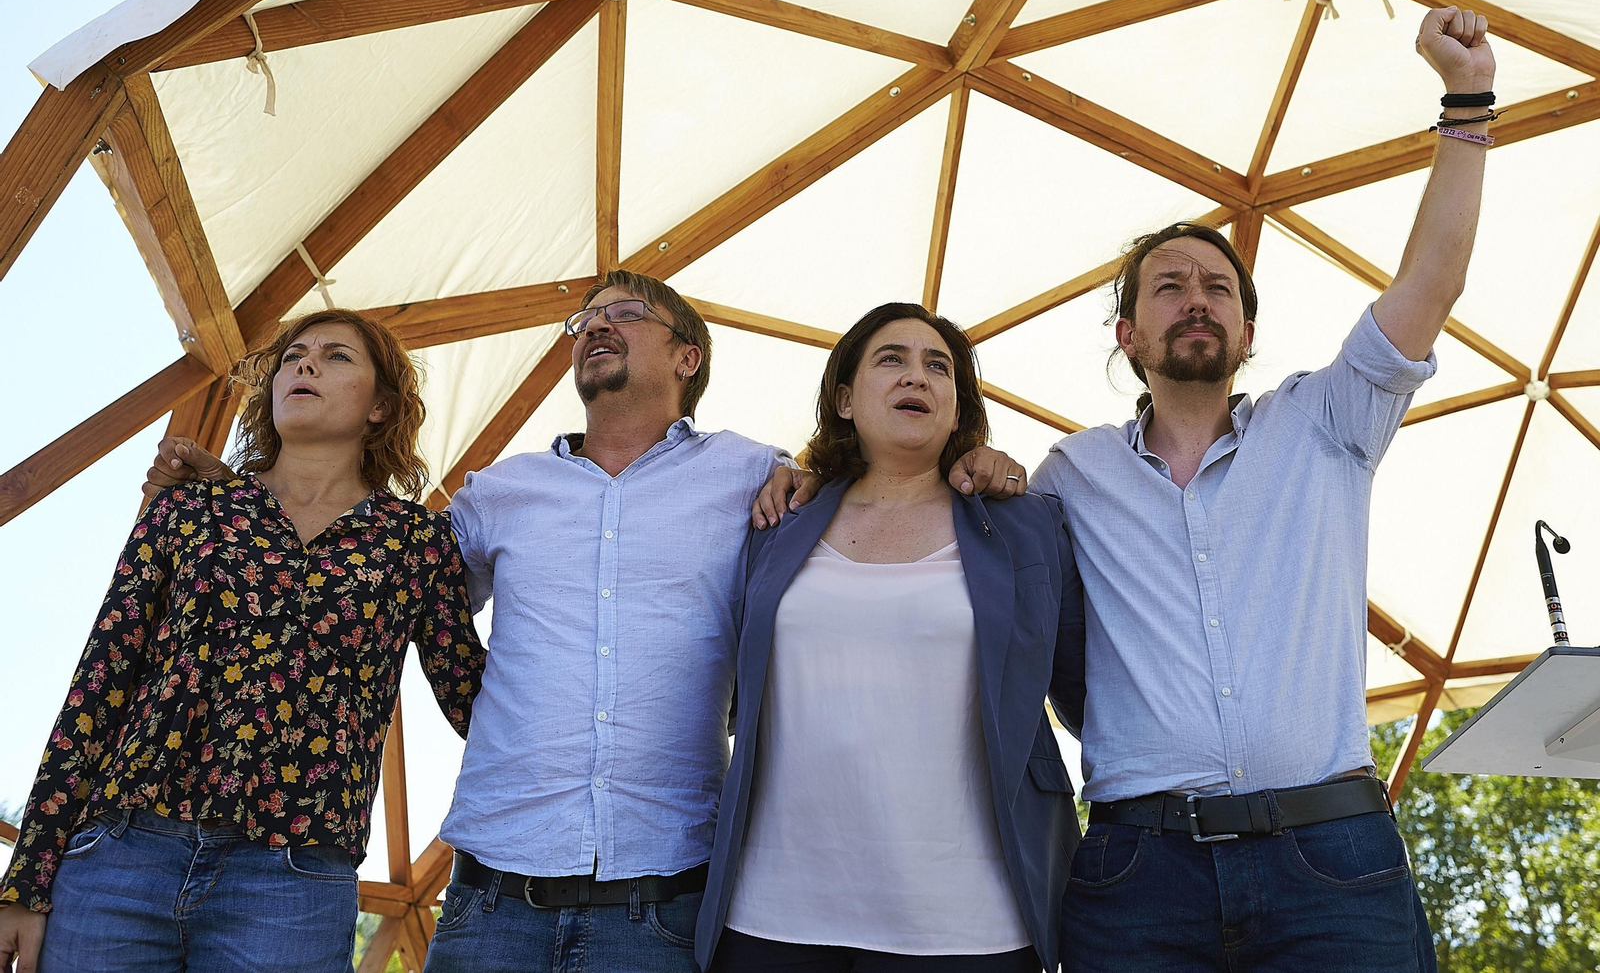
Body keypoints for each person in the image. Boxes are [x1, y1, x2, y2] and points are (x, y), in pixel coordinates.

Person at [758, 6, 1493, 971]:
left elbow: (1431, 282)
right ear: (1129, 336)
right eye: (1169, 286)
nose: (1197, 298)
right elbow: (946, 522)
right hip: (1142, 871)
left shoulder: (1325, 422)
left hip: (1330, 857)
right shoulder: (1071, 476)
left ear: (1247, 332)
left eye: (1219, 287)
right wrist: (816, 471)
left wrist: (1467, 100)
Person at [141, 272, 1030, 973]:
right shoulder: (500, 491)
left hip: (659, 911)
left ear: (687, 356)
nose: (596, 325)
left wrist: (977, 461)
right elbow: (368, 562)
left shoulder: (753, 475)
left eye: (626, 313)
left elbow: (880, 488)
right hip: (487, 906)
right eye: (585, 320)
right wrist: (240, 496)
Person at [0, 309, 486, 973]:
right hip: (120, 858)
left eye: (337, 356)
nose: (305, 363)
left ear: (380, 407)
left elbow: (475, 701)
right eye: (293, 356)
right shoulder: (187, 509)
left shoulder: (416, 542)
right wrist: (26, 882)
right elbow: (98, 685)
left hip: (292, 883)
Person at [698, 303, 1085, 973]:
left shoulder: (1026, 525)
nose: (917, 376)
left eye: (939, 367)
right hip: (773, 910)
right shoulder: (778, 519)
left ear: (957, 410)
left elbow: (1080, 687)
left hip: (967, 920)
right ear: (845, 399)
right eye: (892, 360)